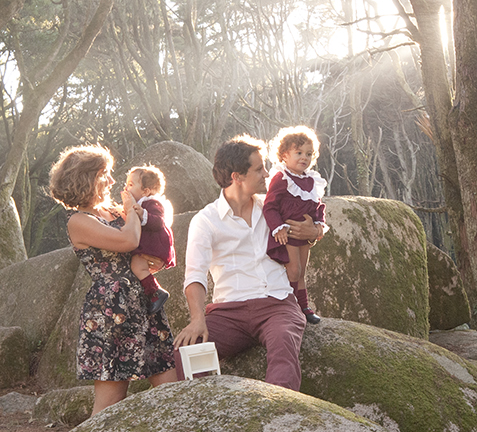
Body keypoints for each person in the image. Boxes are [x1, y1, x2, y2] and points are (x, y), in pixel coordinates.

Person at [174, 135, 325, 392]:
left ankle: (277, 414)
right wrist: (197, 319)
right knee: (184, 351)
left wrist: (315, 233)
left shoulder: (272, 206)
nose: (267, 173)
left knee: (284, 344)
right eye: (259, 169)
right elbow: (195, 276)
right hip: (229, 311)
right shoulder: (206, 220)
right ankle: (208, 418)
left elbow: (310, 225)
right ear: (237, 176)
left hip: (276, 304)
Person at [49, 145, 177, 416]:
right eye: (103, 174)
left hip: (144, 301)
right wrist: (132, 210)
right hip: (111, 309)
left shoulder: (114, 210)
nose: (111, 180)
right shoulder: (78, 221)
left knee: (170, 387)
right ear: (86, 179)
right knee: (110, 403)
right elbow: (129, 239)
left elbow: (156, 226)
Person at [263, 124, 327, 324]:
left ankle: (304, 306)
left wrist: (318, 225)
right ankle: (290, 307)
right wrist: (278, 227)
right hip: (288, 233)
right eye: (298, 152)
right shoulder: (281, 178)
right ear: (284, 155)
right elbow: (270, 206)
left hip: (304, 236)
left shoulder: (311, 181)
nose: (304, 158)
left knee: (302, 272)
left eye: (308, 154)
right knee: (293, 270)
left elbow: (317, 207)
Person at [124, 164, 174, 319]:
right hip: (148, 245)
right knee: (137, 266)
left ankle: (155, 292)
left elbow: (159, 221)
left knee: (137, 266)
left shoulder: (152, 203)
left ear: (145, 191)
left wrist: (142, 214)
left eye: (131, 185)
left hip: (154, 245)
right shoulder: (140, 204)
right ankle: (151, 291)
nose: (126, 188)